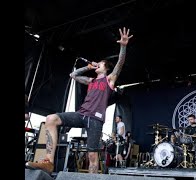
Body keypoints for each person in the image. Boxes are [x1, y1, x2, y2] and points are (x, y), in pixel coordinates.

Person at [26, 27, 133, 174]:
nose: (98, 65)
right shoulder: (91, 81)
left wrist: (123, 46)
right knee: (51, 119)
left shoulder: (109, 80)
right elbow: (73, 75)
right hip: (81, 114)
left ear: (105, 68)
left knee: (92, 156)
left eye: (100, 64)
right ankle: (49, 162)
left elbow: (120, 63)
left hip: (95, 119)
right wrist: (88, 66)